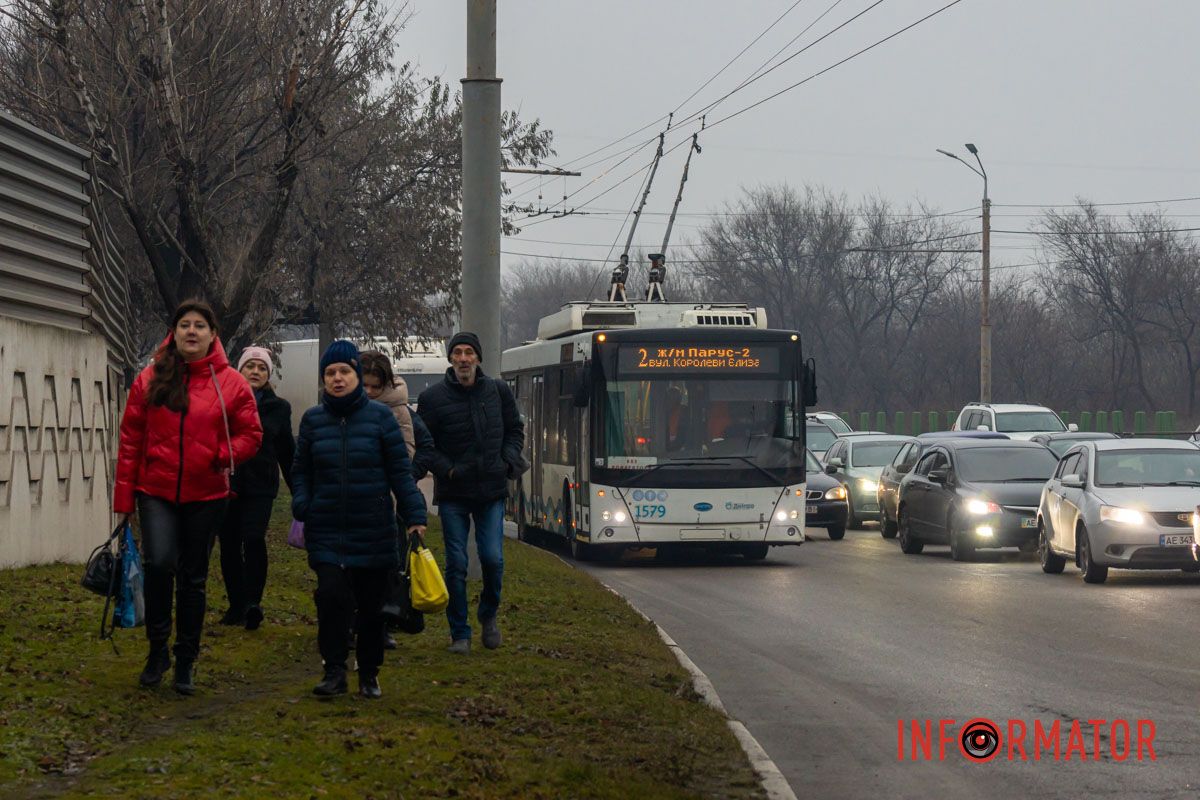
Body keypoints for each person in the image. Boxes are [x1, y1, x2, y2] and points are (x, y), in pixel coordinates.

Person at [113, 300, 263, 695]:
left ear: (213, 334)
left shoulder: (231, 382)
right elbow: (130, 441)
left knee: (193, 578)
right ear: (174, 332)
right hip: (155, 491)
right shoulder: (149, 379)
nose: (191, 332)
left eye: (199, 325)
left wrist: (222, 455)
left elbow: (251, 434)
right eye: (184, 325)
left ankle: (185, 659)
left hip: (207, 493)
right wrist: (124, 501)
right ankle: (157, 650)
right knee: (160, 565)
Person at [291, 341, 427, 698]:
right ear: (324, 380)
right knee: (331, 598)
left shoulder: (381, 419)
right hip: (327, 528)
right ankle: (334, 670)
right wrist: (302, 501)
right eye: (330, 374)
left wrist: (414, 514)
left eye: (344, 372)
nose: (337, 379)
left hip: (374, 529)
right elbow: (300, 470)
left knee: (370, 608)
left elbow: (400, 472)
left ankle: (369, 671)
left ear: (355, 374)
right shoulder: (313, 421)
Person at [418, 332, 526, 655]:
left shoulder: (499, 392)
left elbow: (515, 430)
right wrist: (447, 469)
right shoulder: (433, 399)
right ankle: (460, 633)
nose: (464, 359)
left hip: (491, 490)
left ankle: (488, 614)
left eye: (469, 353)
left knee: (493, 558)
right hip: (453, 492)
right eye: (458, 353)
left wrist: (506, 461)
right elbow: (426, 445)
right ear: (450, 359)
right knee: (457, 563)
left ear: (478, 358)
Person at [360, 350, 435, 650]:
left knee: (385, 566)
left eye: (374, 386)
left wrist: (405, 480)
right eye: (363, 384)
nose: (367, 392)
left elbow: (415, 450)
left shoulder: (401, 412)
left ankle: (383, 623)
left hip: (387, 501)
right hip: (350, 501)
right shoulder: (340, 408)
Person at [218, 346, 295, 630]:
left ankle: (252, 603)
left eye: (262, 368)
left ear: (269, 375)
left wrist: (298, 489)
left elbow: (287, 450)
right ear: (239, 370)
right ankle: (235, 605)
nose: (255, 372)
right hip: (226, 483)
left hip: (261, 485)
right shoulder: (223, 401)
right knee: (228, 544)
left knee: (253, 539)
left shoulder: (279, 408)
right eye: (250, 366)